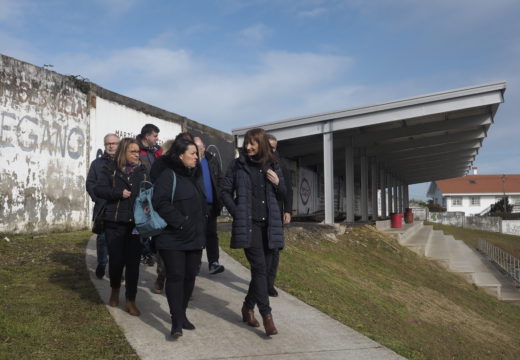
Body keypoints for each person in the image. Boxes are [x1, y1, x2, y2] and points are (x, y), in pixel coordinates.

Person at [220, 128, 286, 336]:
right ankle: (267, 316)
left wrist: (278, 183)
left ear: (261, 144)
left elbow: (284, 192)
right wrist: (237, 211)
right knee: (259, 269)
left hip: (270, 225)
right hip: (249, 225)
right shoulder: (238, 165)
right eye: (246, 143)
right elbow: (224, 191)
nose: (247, 147)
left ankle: (248, 306)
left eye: (252, 143)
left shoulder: (273, 164)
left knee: (264, 272)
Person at [152, 137, 207, 338]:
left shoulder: (194, 175)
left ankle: (182, 314)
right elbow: (160, 202)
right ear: (180, 155)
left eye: (197, 154)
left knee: (190, 276)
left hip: (194, 237)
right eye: (193, 154)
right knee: (176, 276)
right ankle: (176, 322)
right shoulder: (168, 175)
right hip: (172, 237)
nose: (196, 157)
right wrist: (181, 222)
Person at [94, 138, 147, 316]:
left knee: (133, 264)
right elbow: (98, 190)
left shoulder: (143, 171)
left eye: (138, 152)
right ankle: (115, 290)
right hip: (114, 223)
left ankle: (130, 299)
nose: (136, 155)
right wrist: (118, 193)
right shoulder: (109, 169)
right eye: (133, 151)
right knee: (116, 262)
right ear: (123, 152)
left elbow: (150, 191)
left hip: (136, 224)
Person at [149, 132, 195, 294]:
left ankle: (182, 285)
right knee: (165, 251)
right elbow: (154, 186)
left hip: (188, 215)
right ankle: (162, 275)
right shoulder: (162, 162)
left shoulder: (193, 165)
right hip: (166, 214)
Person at [86, 133, 120, 279]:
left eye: (114, 143)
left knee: (119, 241)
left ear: (119, 145)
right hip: (103, 208)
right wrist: (97, 198)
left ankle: (117, 267)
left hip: (120, 208)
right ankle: (102, 263)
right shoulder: (97, 164)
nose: (111, 146)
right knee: (102, 239)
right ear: (105, 145)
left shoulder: (124, 163)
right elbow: (90, 183)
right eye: (108, 144)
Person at [194, 136, 225, 275]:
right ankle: (196, 263)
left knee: (211, 234)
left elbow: (219, 179)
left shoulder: (211, 160)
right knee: (198, 233)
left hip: (211, 205)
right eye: (195, 148)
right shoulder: (192, 161)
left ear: (204, 147)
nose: (198, 151)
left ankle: (214, 262)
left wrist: (220, 198)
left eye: (200, 148)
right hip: (196, 206)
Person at [267, 134, 293, 297]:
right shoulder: (257, 163)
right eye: (268, 146)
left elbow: (288, 189)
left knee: (275, 249)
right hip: (261, 213)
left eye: (274, 147)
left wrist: (288, 210)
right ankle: (261, 281)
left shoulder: (281, 164)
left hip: (276, 211)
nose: (271, 150)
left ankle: (270, 283)